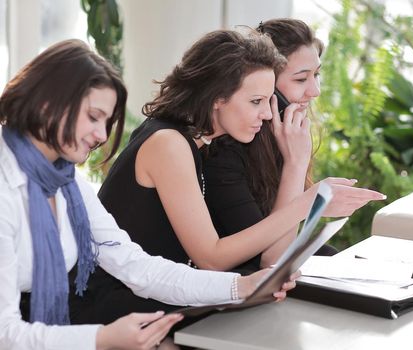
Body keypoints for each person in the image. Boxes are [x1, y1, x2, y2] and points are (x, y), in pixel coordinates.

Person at [0, 39, 295, 350]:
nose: (102, 135)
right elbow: (5, 332)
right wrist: (101, 339)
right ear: (49, 103)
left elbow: (139, 267)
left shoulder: (67, 185)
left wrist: (241, 286)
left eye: (106, 121)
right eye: (93, 116)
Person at [97, 28, 385, 276]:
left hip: (161, 292)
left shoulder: (194, 143)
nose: (266, 114)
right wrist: (308, 203)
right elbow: (211, 258)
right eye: (257, 101)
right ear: (217, 98)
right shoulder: (169, 144)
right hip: (121, 304)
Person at [203, 18, 344, 273]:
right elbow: (273, 260)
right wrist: (295, 164)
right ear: (266, 85)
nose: (315, 91)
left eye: (317, 75)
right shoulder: (223, 153)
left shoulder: (286, 137)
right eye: (301, 79)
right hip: (239, 282)